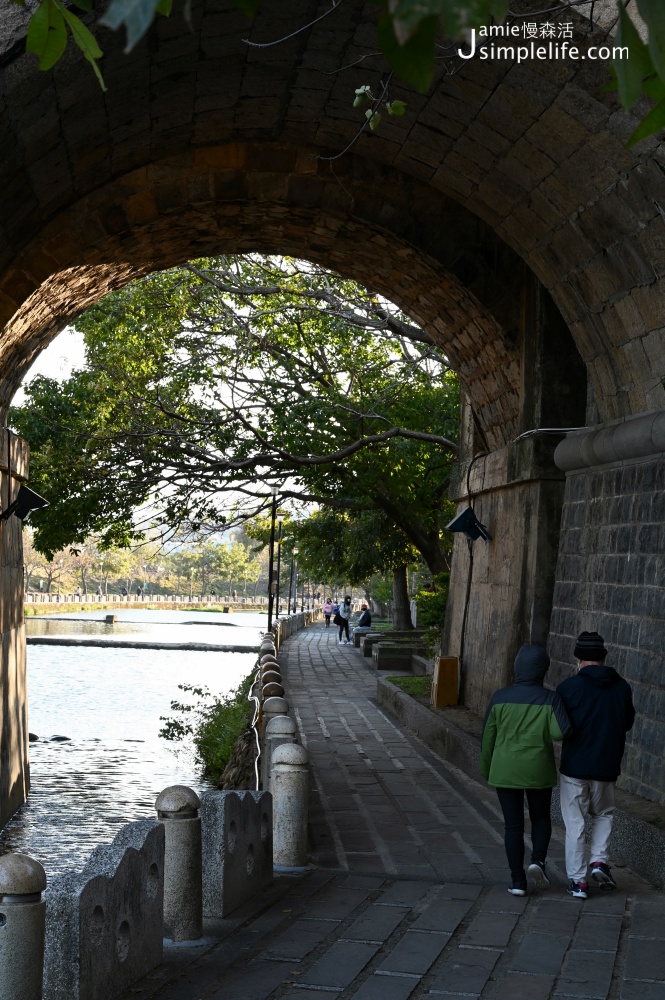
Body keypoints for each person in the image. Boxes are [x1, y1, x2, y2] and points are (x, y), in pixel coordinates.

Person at [481, 644, 571, 896]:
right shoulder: (550, 698)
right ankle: (538, 861)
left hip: (505, 769)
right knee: (541, 817)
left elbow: (487, 738)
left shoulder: (499, 697)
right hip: (538, 769)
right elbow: (560, 732)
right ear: (543, 670)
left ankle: (517, 881)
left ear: (516, 667)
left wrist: (487, 770)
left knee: (513, 826)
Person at [556, 630, 635, 899]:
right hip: (606, 765)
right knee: (603, 814)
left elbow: (560, 727)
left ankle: (578, 882)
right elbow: (627, 723)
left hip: (574, 767)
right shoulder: (622, 687)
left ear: (579, 659)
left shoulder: (568, 688)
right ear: (602, 658)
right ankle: (599, 861)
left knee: (575, 823)